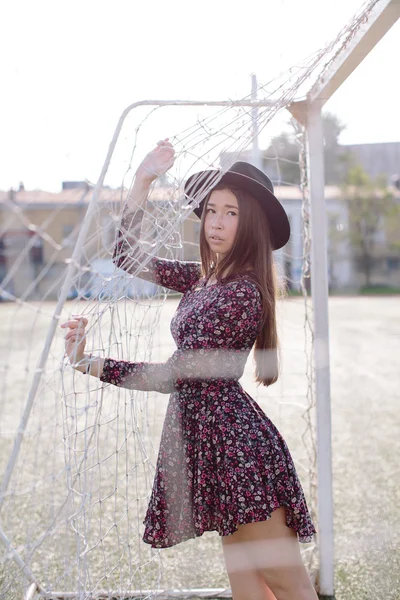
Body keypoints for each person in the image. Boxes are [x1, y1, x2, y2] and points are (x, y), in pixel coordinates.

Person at [61, 140, 318, 600]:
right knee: (248, 586)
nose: (216, 223)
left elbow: (170, 376)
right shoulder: (204, 277)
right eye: (212, 210)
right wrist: (143, 181)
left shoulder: (242, 293)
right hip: (209, 446)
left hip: (237, 451)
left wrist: (89, 363)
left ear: (251, 223)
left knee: (287, 584)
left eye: (232, 213)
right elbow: (127, 257)